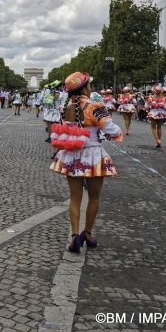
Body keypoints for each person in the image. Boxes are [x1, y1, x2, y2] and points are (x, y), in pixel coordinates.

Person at [50, 72, 122, 253]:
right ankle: (88, 233)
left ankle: (74, 237)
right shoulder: (95, 106)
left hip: (72, 154)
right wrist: (117, 131)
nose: (91, 88)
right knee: (94, 197)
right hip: (93, 154)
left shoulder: (66, 107)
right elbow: (110, 129)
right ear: (84, 88)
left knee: (75, 198)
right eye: (89, 85)